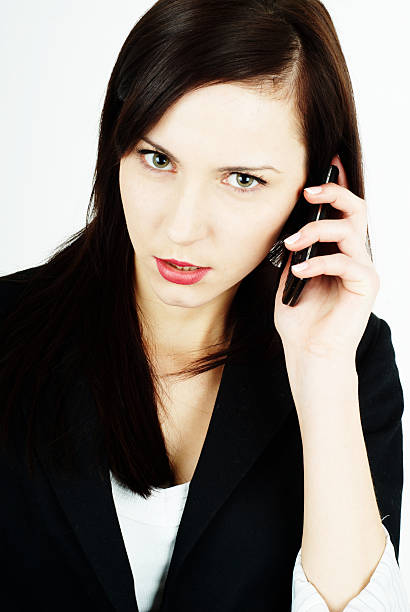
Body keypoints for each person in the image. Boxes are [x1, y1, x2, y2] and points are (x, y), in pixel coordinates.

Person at [0, 0, 409, 610]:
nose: (182, 228)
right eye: (157, 159)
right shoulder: (8, 332)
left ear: (320, 189)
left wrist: (320, 367)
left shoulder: (348, 357)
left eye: (243, 179)